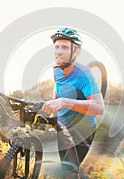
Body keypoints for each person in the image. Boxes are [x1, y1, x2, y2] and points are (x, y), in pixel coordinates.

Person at [41, 28, 105, 178]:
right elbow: (58, 88)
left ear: (75, 52)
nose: (58, 51)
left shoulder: (84, 75)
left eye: (64, 47)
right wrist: (53, 114)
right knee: (66, 168)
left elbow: (99, 108)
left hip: (83, 130)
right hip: (62, 128)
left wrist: (64, 102)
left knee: (68, 172)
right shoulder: (57, 70)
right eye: (56, 47)